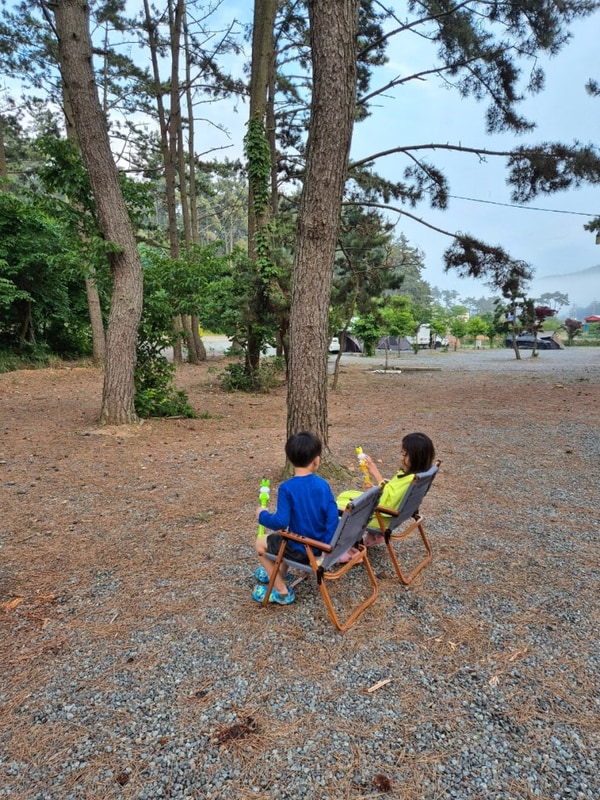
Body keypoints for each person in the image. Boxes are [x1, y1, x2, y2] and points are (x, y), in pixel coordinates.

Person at [253, 431, 339, 605]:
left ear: (290, 460)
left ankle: (282, 592)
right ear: (316, 460)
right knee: (284, 537)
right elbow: (332, 518)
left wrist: (261, 515)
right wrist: (324, 549)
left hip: (301, 550)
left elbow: (280, 522)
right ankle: (280, 574)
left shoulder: (287, 488)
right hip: (319, 549)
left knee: (261, 543)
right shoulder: (323, 485)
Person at [336, 432, 436, 547]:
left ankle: (344, 544)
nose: (401, 457)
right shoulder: (418, 475)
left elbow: (387, 503)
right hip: (389, 512)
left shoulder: (410, 480)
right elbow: (392, 493)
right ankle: (371, 537)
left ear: (416, 458)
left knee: (337, 507)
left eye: (404, 454)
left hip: (381, 519)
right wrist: (375, 489)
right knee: (345, 495)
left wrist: (376, 474)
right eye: (401, 453)